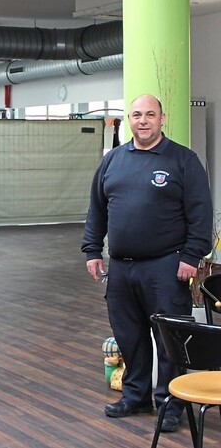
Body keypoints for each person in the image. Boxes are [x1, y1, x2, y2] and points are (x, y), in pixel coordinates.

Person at [81, 94, 213, 433]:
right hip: (122, 268)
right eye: (137, 114)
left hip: (167, 266)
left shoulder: (183, 160)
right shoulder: (113, 161)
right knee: (130, 336)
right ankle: (135, 396)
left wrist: (191, 256)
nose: (143, 120)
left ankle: (171, 403)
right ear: (129, 119)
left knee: (169, 339)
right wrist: (93, 250)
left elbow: (200, 213)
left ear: (161, 118)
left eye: (150, 114)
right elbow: (97, 209)